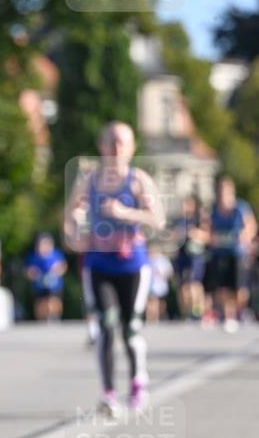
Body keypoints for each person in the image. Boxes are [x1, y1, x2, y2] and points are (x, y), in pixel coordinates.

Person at [64, 122, 165, 417]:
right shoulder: (89, 180)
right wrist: (75, 235)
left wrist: (125, 213)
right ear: (102, 147)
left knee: (130, 327)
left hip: (133, 265)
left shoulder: (138, 180)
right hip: (99, 264)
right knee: (106, 327)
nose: (117, 149)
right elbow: (71, 213)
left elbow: (157, 219)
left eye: (123, 143)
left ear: (132, 148)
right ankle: (108, 393)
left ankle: (137, 382)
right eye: (112, 143)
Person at [207, 176, 257, 331]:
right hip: (219, 252)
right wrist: (210, 238)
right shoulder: (214, 210)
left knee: (238, 289)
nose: (223, 193)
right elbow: (208, 228)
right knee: (222, 287)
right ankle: (229, 316)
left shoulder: (240, 207)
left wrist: (245, 236)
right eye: (221, 190)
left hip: (237, 252)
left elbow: (251, 225)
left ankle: (240, 311)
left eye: (226, 190)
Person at [171, 195, 207, 321]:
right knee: (182, 286)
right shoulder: (178, 220)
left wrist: (194, 233)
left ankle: (198, 311)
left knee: (194, 284)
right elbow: (172, 237)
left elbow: (207, 235)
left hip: (194, 256)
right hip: (181, 255)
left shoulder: (198, 219)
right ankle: (185, 313)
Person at [24, 232, 67, 321]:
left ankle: (54, 316)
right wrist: (33, 273)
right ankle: (42, 318)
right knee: (40, 301)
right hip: (39, 284)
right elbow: (28, 271)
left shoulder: (56, 254)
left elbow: (63, 266)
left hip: (54, 284)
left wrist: (57, 270)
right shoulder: (33, 257)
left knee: (54, 300)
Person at [146, 244, 173, 322]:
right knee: (150, 301)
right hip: (149, 285)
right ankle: (150, 318)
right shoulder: (147, 259)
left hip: (159, 286)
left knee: (157, 302)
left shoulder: (162, 259)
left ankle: (156, 317)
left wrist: (160, 275)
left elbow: (169, 272)